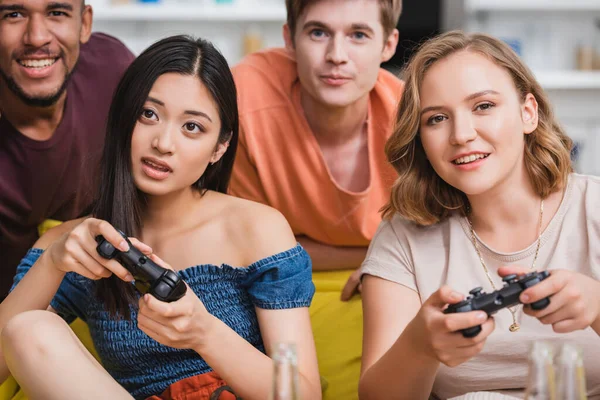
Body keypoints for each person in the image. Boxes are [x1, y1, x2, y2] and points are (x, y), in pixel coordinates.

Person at [0, 35, 321, 400]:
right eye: (148, 114)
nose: (163, 143)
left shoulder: (258, 229)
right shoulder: (80, 243)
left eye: (192, 127)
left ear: (220, 146)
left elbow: (300, 392)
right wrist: (53, 263)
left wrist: (204, 333)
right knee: (29, 328)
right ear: (123, 118)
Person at [359, 30, 600, 400]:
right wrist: (419, 347)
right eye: (437, 118)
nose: (461, 134)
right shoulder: (403, 236)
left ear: (528, 112)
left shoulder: (593, 206)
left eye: (483, 106)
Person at [229, 1, 402, 397]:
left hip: (376, 281)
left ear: (388, 44)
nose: (336, 56)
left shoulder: (412, 117)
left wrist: (389, 261)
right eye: (318, 32)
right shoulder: (245, 98)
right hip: (268, 281)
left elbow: (440, 241)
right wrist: (380, 251)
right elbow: (249, 250)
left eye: (358, 35)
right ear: (290, 38)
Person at [0, 0, 135, 298]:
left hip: (114, 308)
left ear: (84, 24)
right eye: (13, 14)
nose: (36, 37)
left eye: (57, 13)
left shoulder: (114, 70)